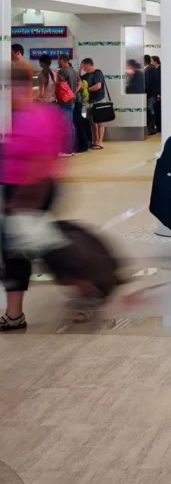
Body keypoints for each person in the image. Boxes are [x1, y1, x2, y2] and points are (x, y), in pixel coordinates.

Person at [1, 65, 67, 329]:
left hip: (30, 190)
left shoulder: (32, 116)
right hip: (25, 189)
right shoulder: (23, 115)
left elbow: (41, 161)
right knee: (26, 248)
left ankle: (15, 314)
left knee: (20, 251)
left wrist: (20, 202)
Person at [80, 58, 107, 150]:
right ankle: (95, 140)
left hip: (99, 100)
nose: (83, 68)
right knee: (92, 122)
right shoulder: (86, 75)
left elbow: (98, 86)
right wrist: (79, 69)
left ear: (88, 65)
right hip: (90, 101)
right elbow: (78, 79)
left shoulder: (97, 73)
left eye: (83, 66)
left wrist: (87, 90)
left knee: (100, 121)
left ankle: (100, 141)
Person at [57, 54, 80, 156]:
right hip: (72, 101)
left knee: (65, 125)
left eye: (58, 60)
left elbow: (59, 86)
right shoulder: (74, 71)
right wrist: (73, 93)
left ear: (62, 60)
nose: (58, 62)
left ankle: (66, 150)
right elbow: (80, 83)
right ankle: (72, 148)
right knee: (71, 125)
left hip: (64, 101)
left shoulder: (62, 71)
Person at [145, 55, 162, 135]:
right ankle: (154, 128)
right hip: (154, 93)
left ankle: (152, 129)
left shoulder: (149, 69)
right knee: (153, 110)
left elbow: (147, 82)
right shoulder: (152, 68)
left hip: (151, 94)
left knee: (151, 111)